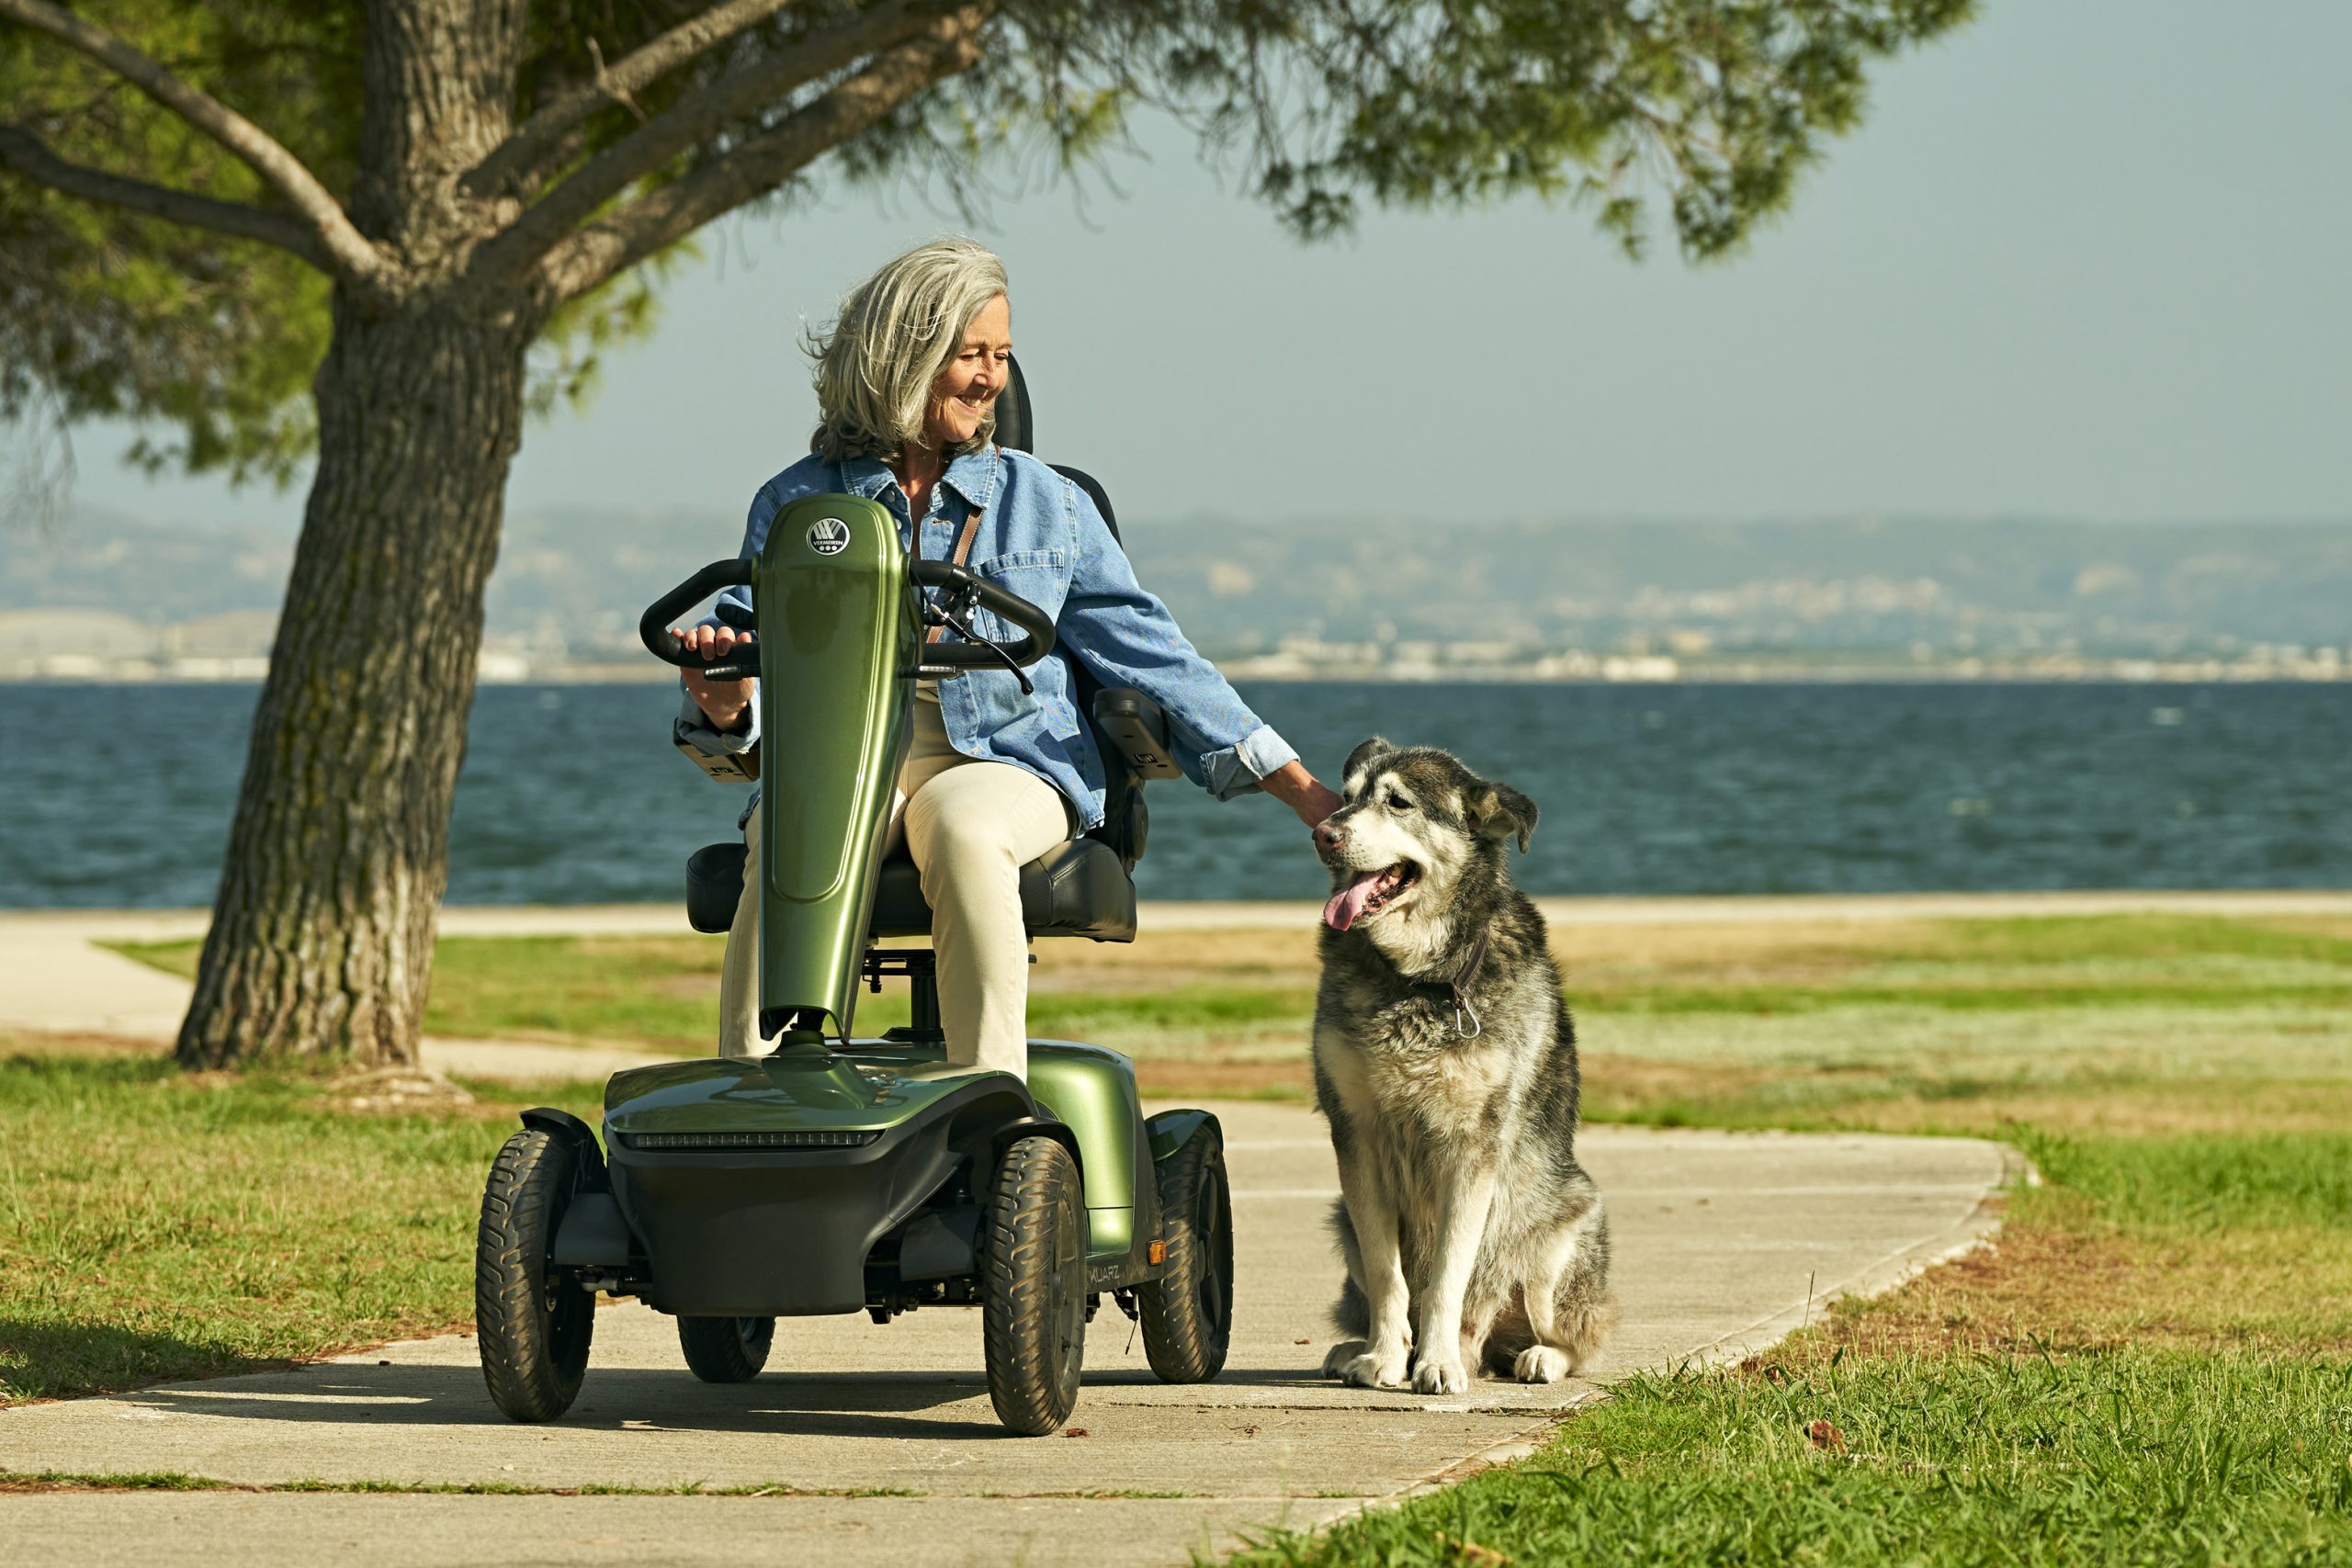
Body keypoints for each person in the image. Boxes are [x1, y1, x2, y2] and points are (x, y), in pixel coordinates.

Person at [673, 238, 1340, 1077]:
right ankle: (753, 1094)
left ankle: (988, 1099)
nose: (990, 378)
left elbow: (1158, 661)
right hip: (849, 755)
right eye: (970, 354)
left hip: (1006, 758)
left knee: (962, 826)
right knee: (791, 827)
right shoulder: (800, 504)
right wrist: (722, 694)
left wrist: (1302, 790)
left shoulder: (1048, 506)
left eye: (1002, 355)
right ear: (902, 357)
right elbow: (739, 698)